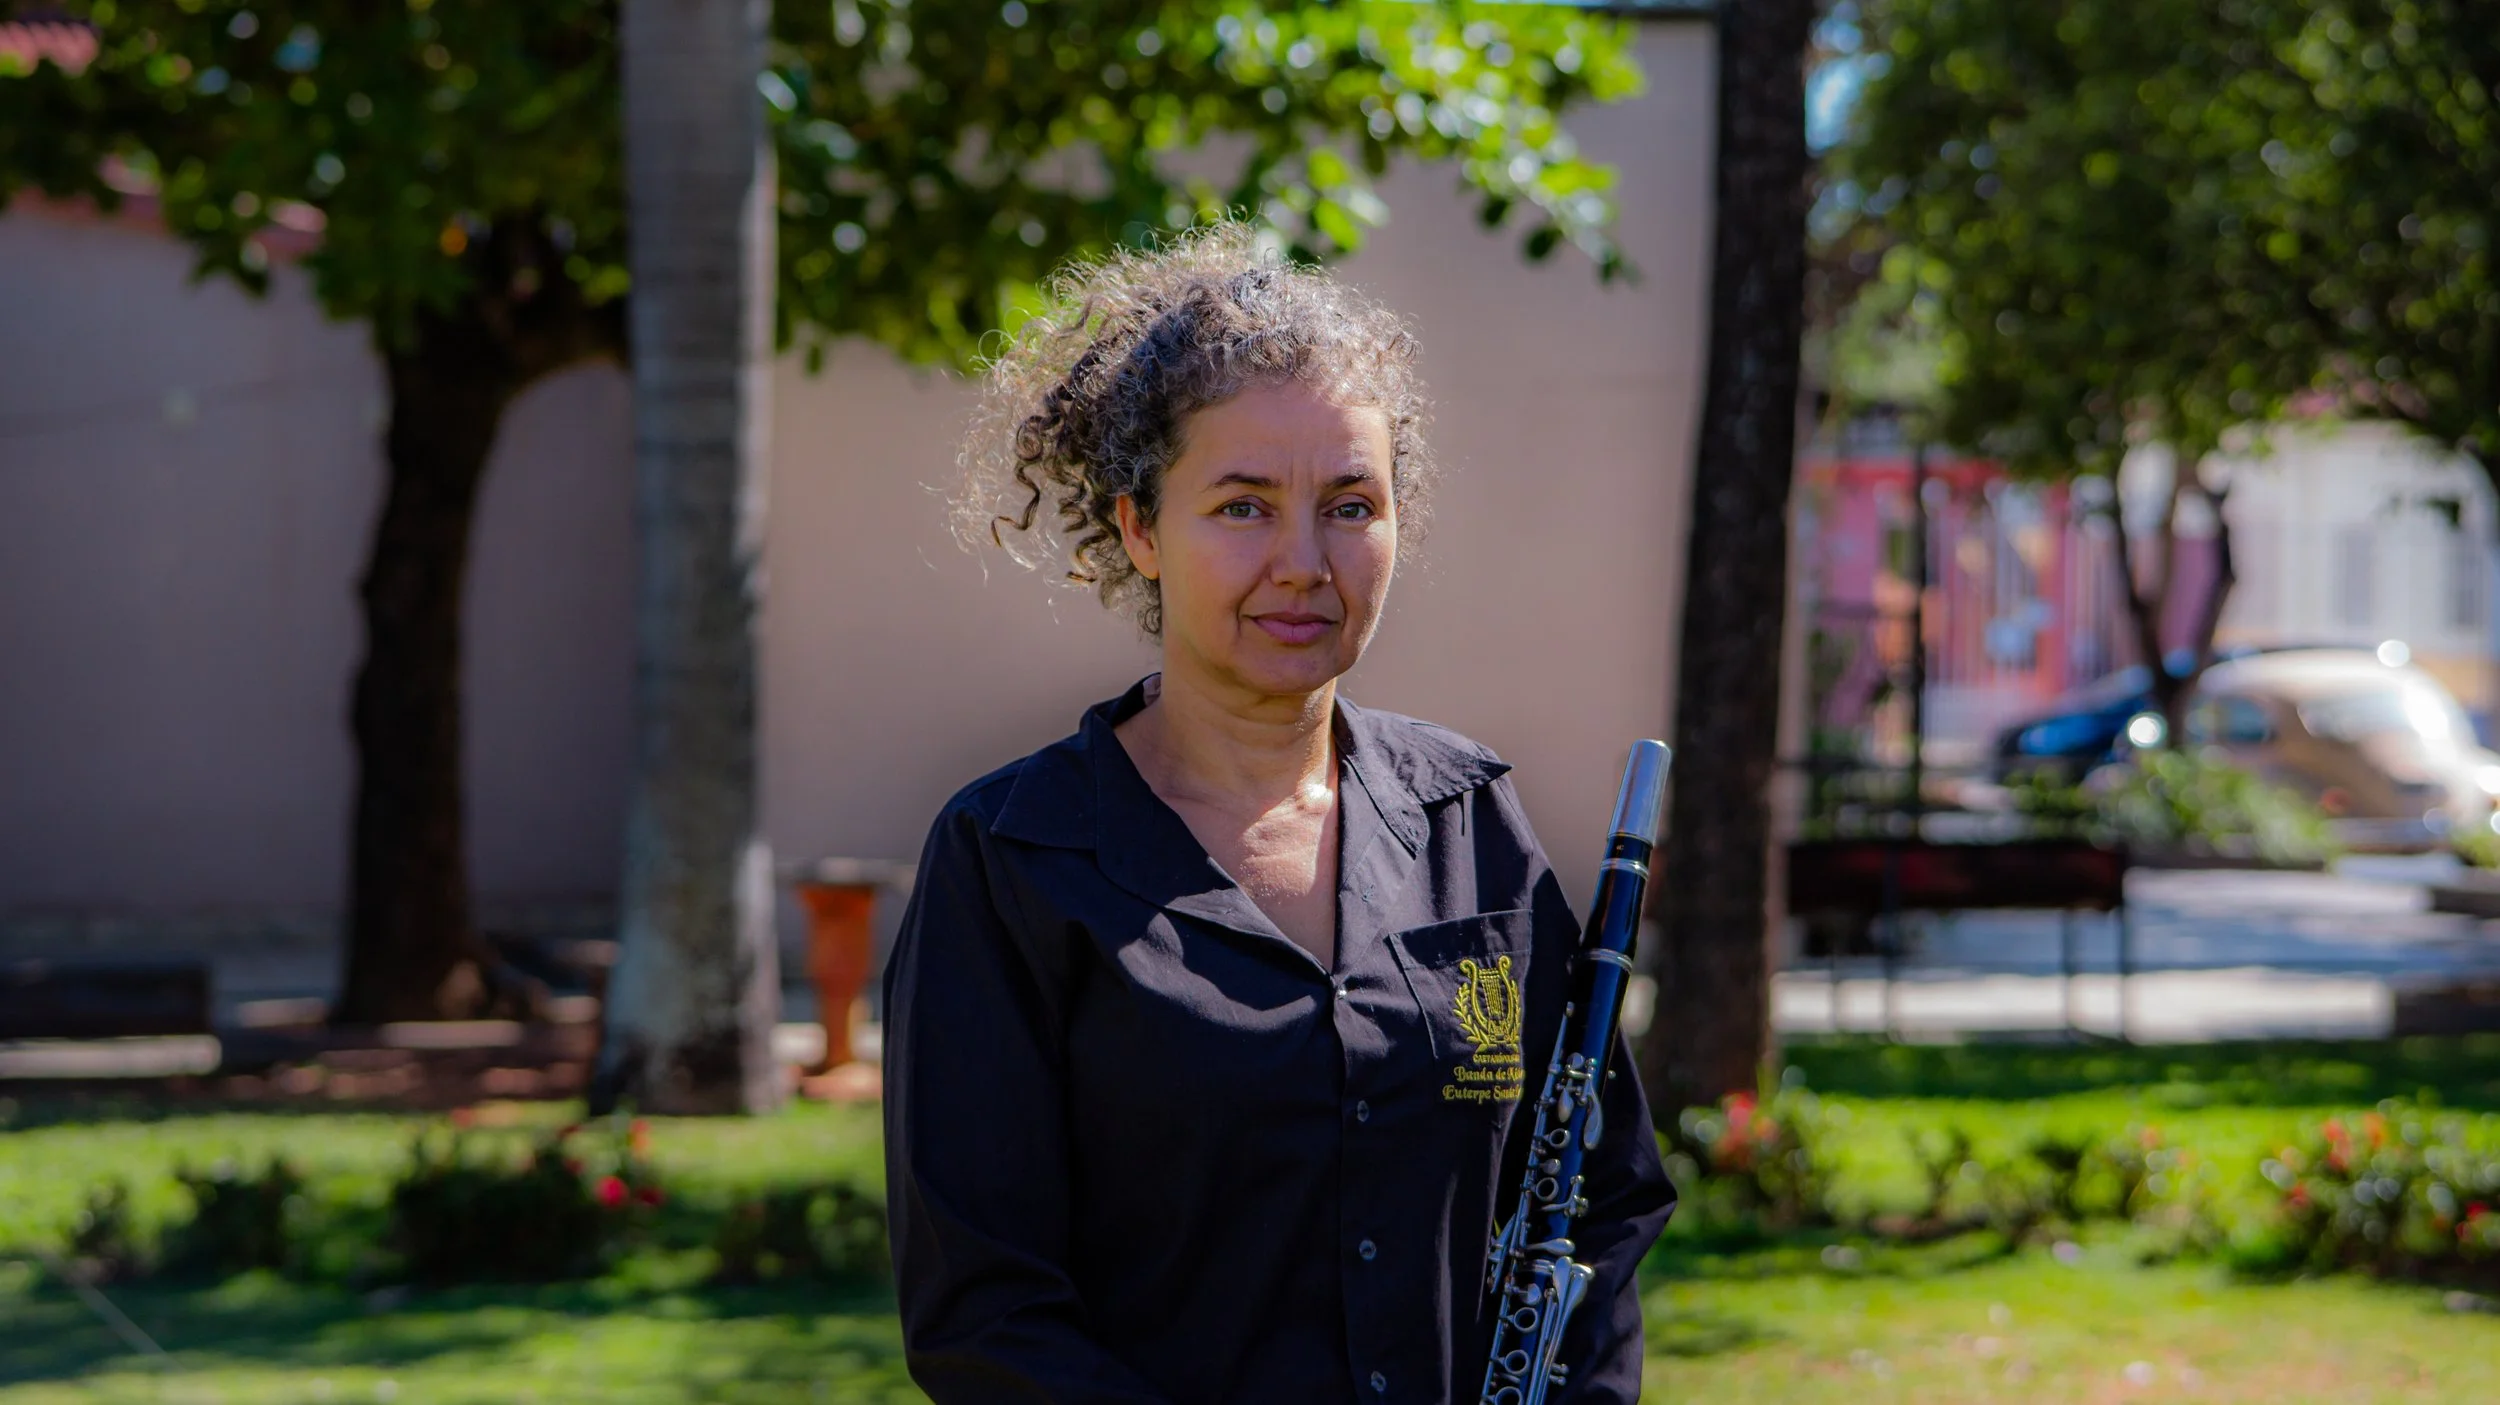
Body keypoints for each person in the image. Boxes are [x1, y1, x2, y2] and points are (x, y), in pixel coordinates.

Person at [883, 224, 1674, 1405]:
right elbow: (984, 1316)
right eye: (1243, 506)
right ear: (1141, 529)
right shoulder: (1012, 859)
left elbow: (1601, 1204)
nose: (1305, 561)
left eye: (1351, 505)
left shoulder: (1472, 822)